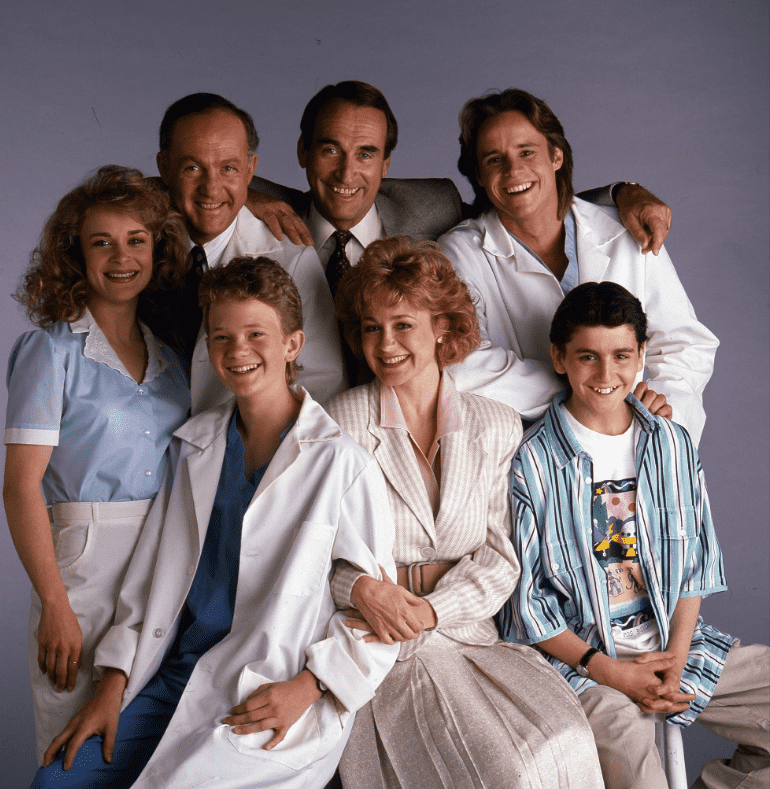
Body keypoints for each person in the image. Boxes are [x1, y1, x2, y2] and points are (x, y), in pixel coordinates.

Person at [30, 257, 399, 789]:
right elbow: (148, 584)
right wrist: (111, 686)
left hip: (266, 689)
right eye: (221, 337)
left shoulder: (342, 464)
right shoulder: (194, 448)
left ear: (293, 345)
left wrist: (312, 685)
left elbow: (376, 619)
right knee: (57, 781)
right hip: (172, 674)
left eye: (256, 334)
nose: (238, 351)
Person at [325, 236, 604, 789]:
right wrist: (358, 590)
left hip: (473, 638)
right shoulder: (338, 424)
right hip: (381, 648)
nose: (385, 344)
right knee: (505, 774)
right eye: (372, 327)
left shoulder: (494, 423)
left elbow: (500, 558)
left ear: (443, 329)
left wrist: (433, 612)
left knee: (565, 748)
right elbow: (313, 552)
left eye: (403, 324)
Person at [501, 281, 770, 789]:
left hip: (676, 645)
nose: (607, 375)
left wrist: (674, 658)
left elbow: (694, 565)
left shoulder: (670, 442)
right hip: (585, 665)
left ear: (642, 354)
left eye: (622, 355)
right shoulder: (532, 462)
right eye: (588, 357)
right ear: (559, 358)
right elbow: (526, 607)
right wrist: (611, 672)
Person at [2, 165, 192, 763]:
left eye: (137, 240)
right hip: (81, 567)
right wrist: (54, 603)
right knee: (74, 752)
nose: (121, 257)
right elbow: (19, 488)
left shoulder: (171, 358)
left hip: (162, 561)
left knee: (148, 751)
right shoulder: (51, 350)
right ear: (74, 254)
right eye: (101, 242)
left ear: (156, 250)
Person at [439, 88, 717, 442]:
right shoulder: (461, 252)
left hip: (637, 440)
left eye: (527, 151)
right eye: (494, 159)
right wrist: (585, 398)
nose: (513, 170)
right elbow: (462, 361)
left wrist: (665, 403)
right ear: (479, 174)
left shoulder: (623, 231)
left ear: (556, 155)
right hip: (533, 451)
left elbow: (683, 341)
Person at [246, 80, 673, 275]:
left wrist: (623, 192)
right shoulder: (267, 214)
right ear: (302, 152)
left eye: (366, 154)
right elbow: (190, 187)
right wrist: (246, 199)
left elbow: (522, 201)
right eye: (330, 149)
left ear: (386, 165)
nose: (346, 172)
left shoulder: (435, 207)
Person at [148, 92, 347, 413]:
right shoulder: (135, 241)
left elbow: (324, 381)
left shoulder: (291, 257)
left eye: (228, 168)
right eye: (192, 168)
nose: (211, 188)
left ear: (251, 168)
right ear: (164, 167)